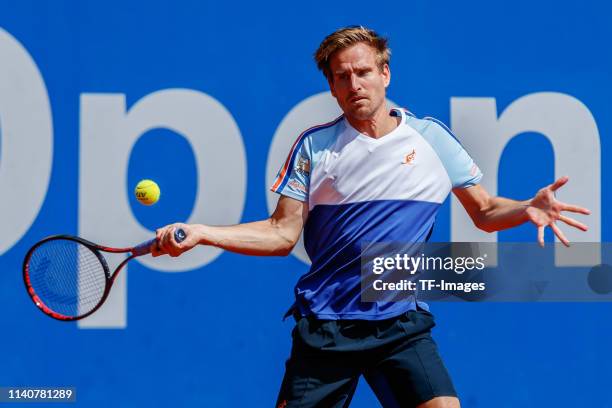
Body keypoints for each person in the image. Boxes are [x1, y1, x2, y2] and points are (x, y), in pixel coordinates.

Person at [153, 26, 590, 408]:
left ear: (385, 75)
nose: (354, 84)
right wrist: (202, 232)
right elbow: (281, 233)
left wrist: (526, 208)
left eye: (363, 72)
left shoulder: (431, 139)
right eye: (341, 77)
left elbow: (487, 212)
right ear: (331, 87)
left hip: (400, 324)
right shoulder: (314, 148)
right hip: (326, 327)